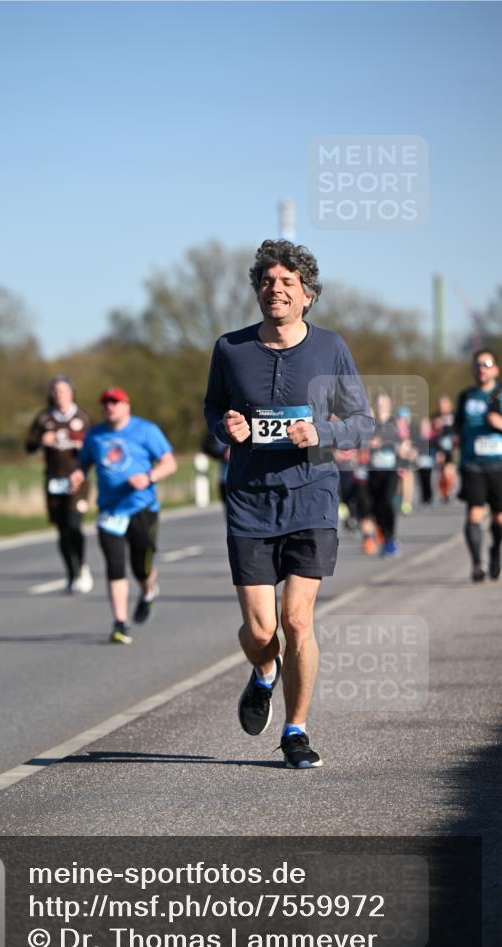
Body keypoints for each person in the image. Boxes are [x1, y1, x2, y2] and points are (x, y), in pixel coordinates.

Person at [204, 239, 373, 769]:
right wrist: (224, 427)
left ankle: (295, 730)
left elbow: (363, 423)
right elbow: (213, 410)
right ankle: (263, 672)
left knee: (297, 621)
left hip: (312, 498)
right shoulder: (230, 349)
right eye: (266, 281)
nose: (274, 289)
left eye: (286, 283)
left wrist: (319, 431)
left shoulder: (330, 348)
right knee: (261, 632)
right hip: (250, 502)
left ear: (307, 295)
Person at [69, 386, 177, 644]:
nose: (110, 407)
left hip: (142, 507)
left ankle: (148, 590)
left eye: (115, 402)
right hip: (110, 510)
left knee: (141, 566)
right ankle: (120, 622)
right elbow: (83, 462)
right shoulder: (95, 436)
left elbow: (169, 463)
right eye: (105, 403)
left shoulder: (146, 430)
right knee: (115, 567)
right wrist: (78, 473)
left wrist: (149, 476)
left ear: (126, 405)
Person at [25, 376, 93, 593]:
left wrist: (85, 447)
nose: (59, 395)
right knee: (62, 529)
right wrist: (40, 442)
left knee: (74, 525)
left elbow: (99, 444)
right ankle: (71, 574)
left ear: (71, 393)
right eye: (55, 391)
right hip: (53, 480)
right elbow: (28, 445)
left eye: (63, 391)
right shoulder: (44, 418)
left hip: (77, 479)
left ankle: (82, 567)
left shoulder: (83, 418)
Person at [453, 350, 502, 582]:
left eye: (487, 363)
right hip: (473, 464)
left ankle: (495, 553)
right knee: (474, 512)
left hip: (499, 465)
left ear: (495, 369)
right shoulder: (466, 397)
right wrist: (447, 459)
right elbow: (456, 430)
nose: (482, 368)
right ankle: (476, 562)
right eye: (478, 364)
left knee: (499, 518)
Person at [367, 391, 403, 557]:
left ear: (389, 405)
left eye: (384, 404)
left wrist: (403, 448)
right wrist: (368, 444)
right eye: (379, 404)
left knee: (387, 501)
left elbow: (404, 441)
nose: (381, 407)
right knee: (376, 506)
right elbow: (360, 443)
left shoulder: (395, 422)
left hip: (391, 470)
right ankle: (384, 536)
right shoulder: (369, 424)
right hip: (373, 471)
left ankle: (391, 538)